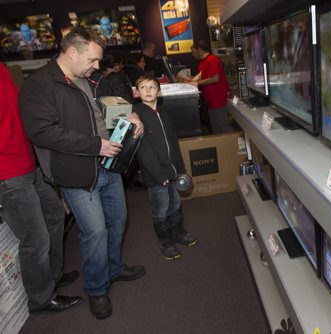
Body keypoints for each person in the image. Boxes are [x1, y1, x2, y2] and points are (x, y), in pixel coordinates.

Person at [18, 27, 146, 320]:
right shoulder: (38, 85)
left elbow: (103, 110)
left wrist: (130, 113)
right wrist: (96, 145)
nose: (97, 66)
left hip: (108, 165)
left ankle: (114, 268)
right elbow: (43, 132)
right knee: (95, 232)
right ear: (71, 52)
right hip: (76, 173)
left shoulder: (86, 78)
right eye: (92, 59)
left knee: (117, 221)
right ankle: (97, 289)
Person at [0, 62, 82, 314]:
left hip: (27, 162)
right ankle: (42, 298)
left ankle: (52, 275)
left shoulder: (2, 68)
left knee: (56, 214)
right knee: (35, 239)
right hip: (8, 173)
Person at [133, 74, 198, 260]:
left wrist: (181, 168)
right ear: (137, 93)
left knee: (175, 204)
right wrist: (159, 174)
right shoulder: (138, 114)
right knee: (161, 209)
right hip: (156, 175)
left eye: (152, 87)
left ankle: (178, 232)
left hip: (173, 171)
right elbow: (143, 150)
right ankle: (165, 241)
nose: (148, 90)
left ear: (159, 91)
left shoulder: (164, 113)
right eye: (143, 87)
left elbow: (174, 143)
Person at [186, 40, 233, 134]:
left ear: (199, 49)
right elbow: (198, 77)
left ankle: (232, 147)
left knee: (223, 127)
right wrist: (187, 80)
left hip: (218, 100)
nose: (193, 54)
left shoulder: (212, 59)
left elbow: (215, 78)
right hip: (211, 101)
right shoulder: (203, 63)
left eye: (194, 51)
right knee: (216, 128)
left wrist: (196, 83)